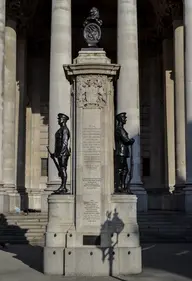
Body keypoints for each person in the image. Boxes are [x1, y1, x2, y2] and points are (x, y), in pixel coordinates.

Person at [115, 112, 135, 193]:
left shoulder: (120, 129)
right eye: (124, 118)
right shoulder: (120, 129)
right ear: (120, 119)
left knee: (124, 170)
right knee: (122, 169)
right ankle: (120, 186)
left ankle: (122, 186)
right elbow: (126, 140)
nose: (125, 119)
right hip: (121, 152)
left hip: (123, 152)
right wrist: (131, 140)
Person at [51, 113, 70, 194]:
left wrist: (61, 153)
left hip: (63, 153)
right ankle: (63, 186)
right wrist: (55, 153)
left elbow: (64, 143)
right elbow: (58, 143)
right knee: (61, 169)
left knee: (62, 169)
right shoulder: (61, 129)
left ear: (63, 120)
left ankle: (63, 186)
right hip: (60, 153)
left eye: (59, 119)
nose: (58, 120)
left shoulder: (65, 129)